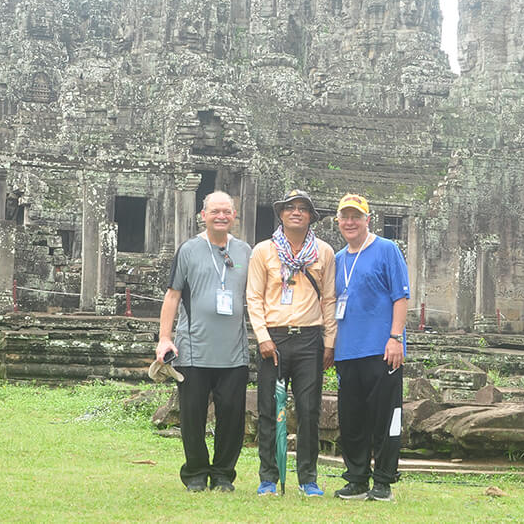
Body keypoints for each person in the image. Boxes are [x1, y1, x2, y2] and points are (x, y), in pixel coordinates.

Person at [155, 191, 252, 493]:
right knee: (192, 417)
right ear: (203, 214)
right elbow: (172, 295)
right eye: (215, 211)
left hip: (234, 352)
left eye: (227, 211)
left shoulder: (247, 252)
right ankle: (196, 473)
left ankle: (224, 474)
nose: (221, 216)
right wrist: (164, 338)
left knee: (232, 419)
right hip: (193, 349)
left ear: (234, 215)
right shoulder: (189, 250)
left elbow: (257, 298)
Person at [246, 189, 337, 497]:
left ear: (311, 216)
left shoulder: (323, 252)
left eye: (303, 208)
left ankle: (308, 479)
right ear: (281, 214)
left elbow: (329, 298)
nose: (296, 212)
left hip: (310, 338)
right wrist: (262, 337)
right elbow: (254, 297)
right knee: (269, 408)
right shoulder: (263, 251)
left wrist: (330, 341)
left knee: (309, 410)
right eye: (290, 208)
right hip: (274, 337)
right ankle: (269, 477)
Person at [331, 193, 409, 502]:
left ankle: (384, 481)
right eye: (345, 217)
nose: (350, 222)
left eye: (356, 216)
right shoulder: (337, 259)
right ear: (338, 222)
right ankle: (357, 478)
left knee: (385, 418)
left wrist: (395, 338)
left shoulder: (387, 249)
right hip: (347, 352)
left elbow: (400, 297)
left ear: (368, 219)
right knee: (351, 419)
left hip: (381, 349)